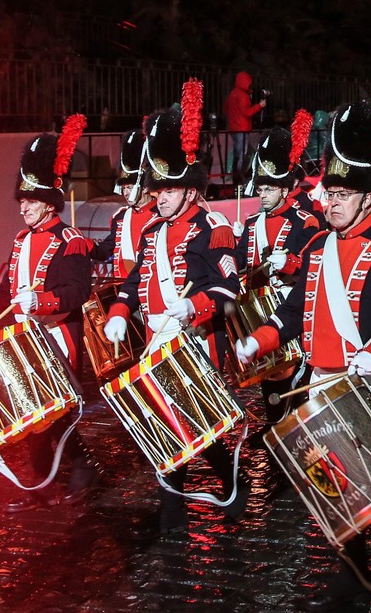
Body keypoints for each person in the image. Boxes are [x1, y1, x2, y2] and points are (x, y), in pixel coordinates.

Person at [233, 99, 371, 611]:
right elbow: (291, 308)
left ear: (368, 198)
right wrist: (261, 339)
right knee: (340, 483)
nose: (331, 202)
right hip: (323, 383)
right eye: (329, 193)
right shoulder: (319, 247)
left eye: (342, 194)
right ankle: (353, 570)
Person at [103, 81, 245, 533]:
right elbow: (130, 284)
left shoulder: (213, 225)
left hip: (197, 341)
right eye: (157, 189)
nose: (158, 197)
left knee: (193, 424)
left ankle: (208, 492)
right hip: (159, 343)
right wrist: (120, 314)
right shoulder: (149, 232)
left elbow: (229, 287)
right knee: (171, 427)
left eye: (168, 189)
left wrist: (192, 307)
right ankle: (181, 507)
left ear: (189, 189)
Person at [0, 116, 100, 511]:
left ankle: (79, 469)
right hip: (27, 337)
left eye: (31, 202)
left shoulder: (69, 240)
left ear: (49, 202)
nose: (24, 209)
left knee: (56, 413)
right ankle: (39, 484)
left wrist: (41, 301)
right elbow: (5, 290)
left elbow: (77, 292)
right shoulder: (21, 240)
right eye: (22, 202)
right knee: (34, 410)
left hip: (57, 336)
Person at [236, 116, 322, 422]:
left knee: (293, 370)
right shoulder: (251, 224)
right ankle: (275, 423)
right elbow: (240, 267)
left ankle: (294, 424)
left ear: (285, 190)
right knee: (268, 371)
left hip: (290, 305)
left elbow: (315, 267)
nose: (262, 194)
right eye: (260, 189)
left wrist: (291, 263)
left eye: (269, 189)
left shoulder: (305, 221)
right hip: (259, 306)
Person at [91, 127, 155, 282]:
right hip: (122, 285)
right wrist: (86, 246)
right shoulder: (120, 216)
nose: (126, 193)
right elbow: (106, 251)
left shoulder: (160, 214)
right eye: (124, 188)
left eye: (130, 187)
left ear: (144, 187)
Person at [225, 70, 268, 184]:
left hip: (234, 127)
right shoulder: (243, 95)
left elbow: (226, 108)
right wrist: (259, 106)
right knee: (241, 154)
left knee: (237, 153)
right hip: (241, 128)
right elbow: (247, 112)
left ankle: (237, 176)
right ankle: (238, 178)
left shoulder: (233, 93)